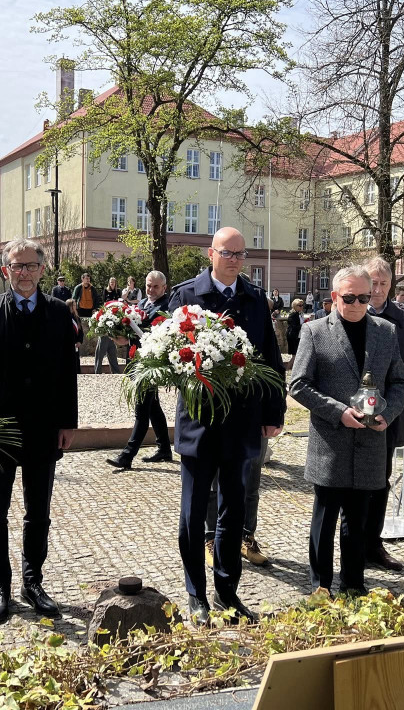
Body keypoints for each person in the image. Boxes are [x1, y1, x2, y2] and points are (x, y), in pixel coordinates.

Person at [167, 227, 285, 624]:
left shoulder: (254, 298)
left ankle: (227, 591)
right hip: (200, 422)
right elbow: (171, 358)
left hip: (242, 422)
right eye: (226, 252)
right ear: (210, 254)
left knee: (233, 512)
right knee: (193, 511)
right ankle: (196, 594)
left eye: (240, 253)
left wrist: (273, 414)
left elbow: (269, 360)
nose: (234, 259)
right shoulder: (187, 296)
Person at [0, 238, 78, 624]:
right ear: (5, 271)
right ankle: (1, 586)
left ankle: (33, 581)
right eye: (17, 266)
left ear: (43, 269)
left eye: (31, 265)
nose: (25, 272)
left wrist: (67, 423)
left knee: (38, 512)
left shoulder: (59, 313)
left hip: (44, 428)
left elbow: (68, 373)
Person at [289, 266, 404, 597]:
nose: (357, 303)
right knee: (325, 520)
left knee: (357, 521)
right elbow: (298, 384)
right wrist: (338, 411)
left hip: (370, 441)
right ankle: (321, 587)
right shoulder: (315, 331)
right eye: (349, 297)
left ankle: (354, 584)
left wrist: (388, 410)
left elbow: (400, 381)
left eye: (363, 297)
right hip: (331, 442)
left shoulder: (385, 332)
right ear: (333, 297)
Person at [358, 257, 404, 573]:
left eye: (382, 283)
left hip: (390, 414)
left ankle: (373, 545)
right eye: (371, 282)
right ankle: (351, 545)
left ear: (391, 285)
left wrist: (399, 401)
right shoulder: (350, 311)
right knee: (352, 482)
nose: (376, 289)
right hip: (353, 413)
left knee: (379, 481)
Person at [107, 270, 173, 469]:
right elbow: (131, 331)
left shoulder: (167, 307)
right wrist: (122, 337)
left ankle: (127, 455)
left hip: (151, 365)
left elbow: (158, 332)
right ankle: (164, 448)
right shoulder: (142, 304)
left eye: (155, 287)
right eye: (148, 286)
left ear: (164, 288)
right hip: (136, 360)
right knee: (153, 406)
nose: (151, 290)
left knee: (142, 408)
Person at [67, 299, 85, 372]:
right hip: (68, 343)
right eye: (74, 305)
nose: (75, 307)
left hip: (76, 343)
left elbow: (80, 331)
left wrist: (79, 341)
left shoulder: (77, 317)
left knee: (76, 360)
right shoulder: (65, 317)